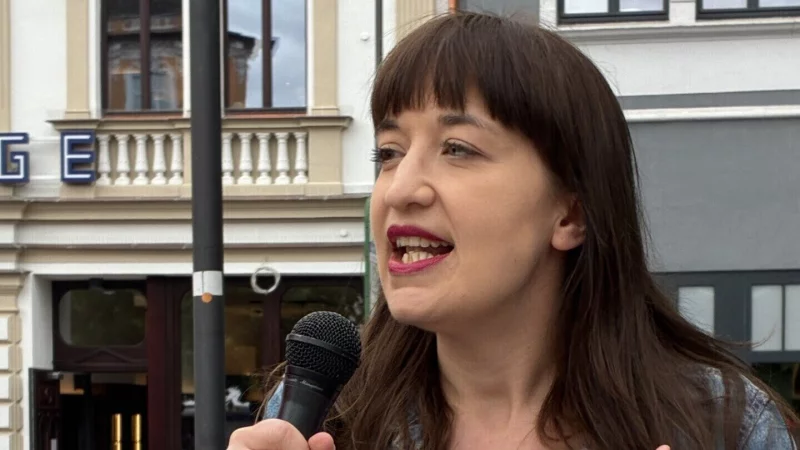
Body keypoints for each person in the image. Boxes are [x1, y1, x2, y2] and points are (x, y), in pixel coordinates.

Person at [227, 11, 798, 450]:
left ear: (570, 214)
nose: (401, 188)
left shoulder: (722, 422)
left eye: (458, 149)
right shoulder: (328, 415)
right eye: (388, 152)